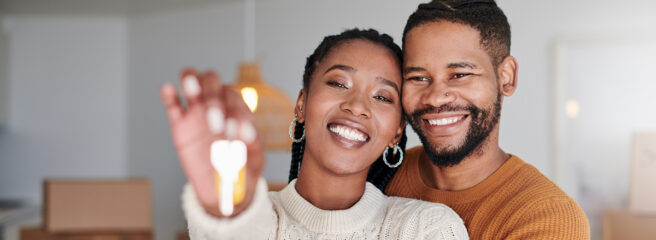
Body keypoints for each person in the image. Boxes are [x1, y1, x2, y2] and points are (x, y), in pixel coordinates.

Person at [160, 28, 469, 239]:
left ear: (396, 132)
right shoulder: (250, 222)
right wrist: (224, 201)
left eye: (383, 97)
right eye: (338, 83)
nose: (357, 106)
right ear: (302, 104)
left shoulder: (425, 229)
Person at [381, 0, 590, 239]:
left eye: (460, 74)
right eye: (418, 77)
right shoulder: (377, 173)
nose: (436, 98)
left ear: (506, 78)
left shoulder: (548, 217)